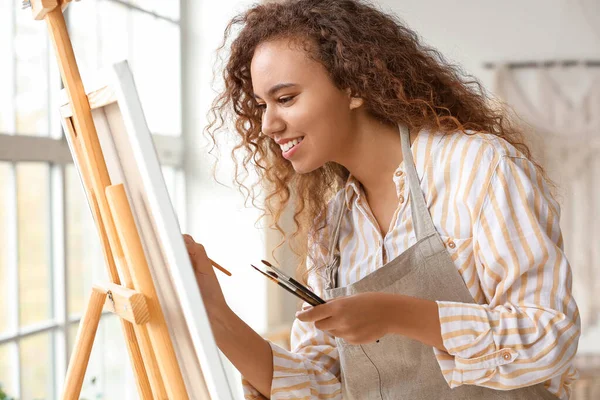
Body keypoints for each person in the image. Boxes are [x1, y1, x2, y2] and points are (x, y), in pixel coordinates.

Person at [182, 0, 581, 398]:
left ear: (353, 85)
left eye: (285, 98)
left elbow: (550, 336)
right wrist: (215, 316)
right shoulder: (332, 227)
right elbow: (322, 386)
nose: (268, 124)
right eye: (261, 105)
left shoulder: (478, 167)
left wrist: (397, 313)